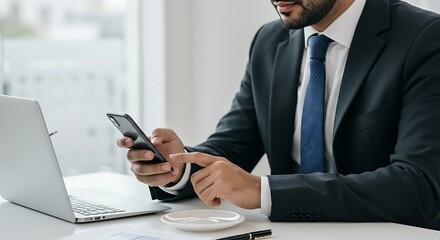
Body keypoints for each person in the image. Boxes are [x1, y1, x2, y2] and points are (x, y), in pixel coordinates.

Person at [117, 0, 440, 230]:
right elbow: (233, 145)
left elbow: (419, 186)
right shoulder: (270, 41)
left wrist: (263, 191)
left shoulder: (425, 38)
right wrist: (178, 167)